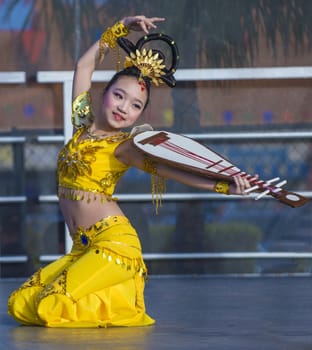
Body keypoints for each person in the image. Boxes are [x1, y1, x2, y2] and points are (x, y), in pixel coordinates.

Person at [8, 15, 253, 328]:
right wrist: (121, 27)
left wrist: (223, 186)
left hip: (115, 247)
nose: (124, 108)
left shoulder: (125, 147)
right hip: (83, 249)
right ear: (103, 94)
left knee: (49, 308)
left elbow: (170, 169)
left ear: (140, 114)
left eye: (136, 105)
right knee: (20, 304)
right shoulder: (81, 125)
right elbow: (84, 66)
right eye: (119, 96)